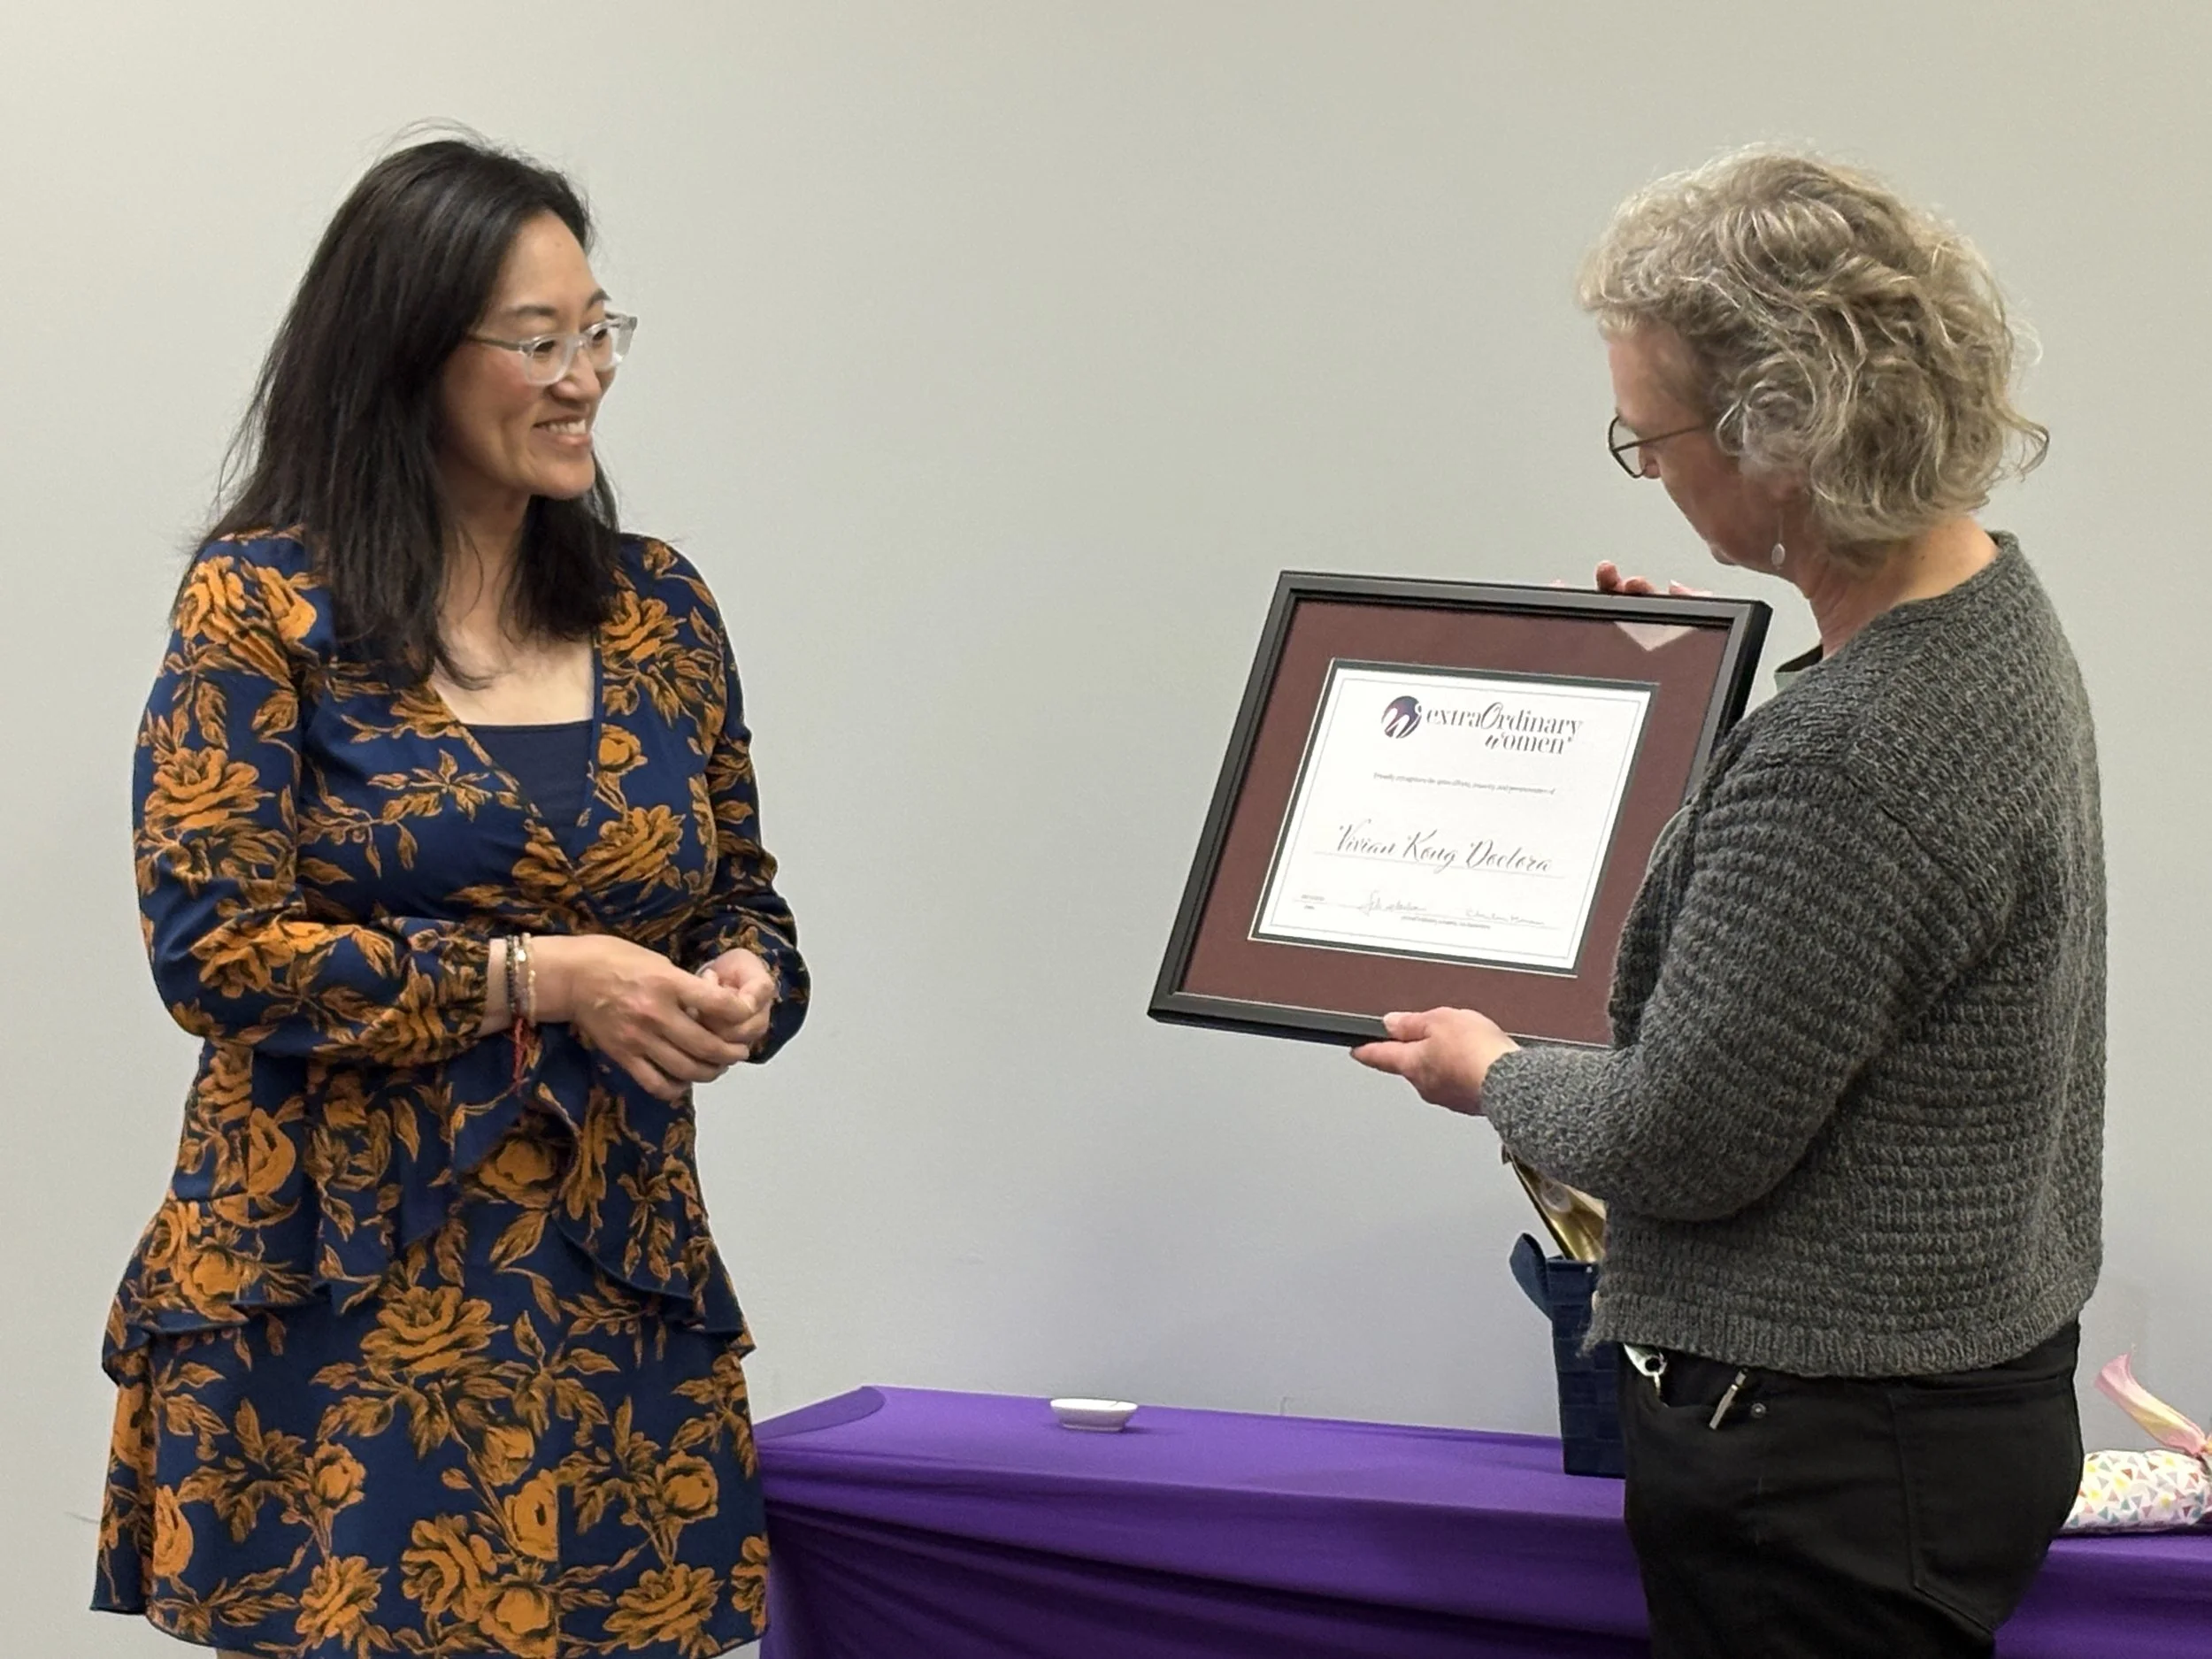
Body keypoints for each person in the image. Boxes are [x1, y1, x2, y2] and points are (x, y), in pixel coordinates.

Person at [1355, 149, 2101, 1658]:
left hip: (1820, 1460)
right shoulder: (1988, 617)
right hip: (1952, 1400)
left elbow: (1681, 1139)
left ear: (1786, 439)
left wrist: (1490, 1073)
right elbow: (1837, 904)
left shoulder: (1855, 750)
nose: (1646, 460)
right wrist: (1692, 700)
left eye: (1651, 435)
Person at [94, 136, 810, 1659]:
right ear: (408, 355)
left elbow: (742, 892)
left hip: (610, 1282)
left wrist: (745, 983)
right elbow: (213, 954)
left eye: (599, 330)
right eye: (537, 340)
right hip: (336, 1287)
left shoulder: (659, 600)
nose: (584, 377)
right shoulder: (261, 600)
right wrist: (542, 979)